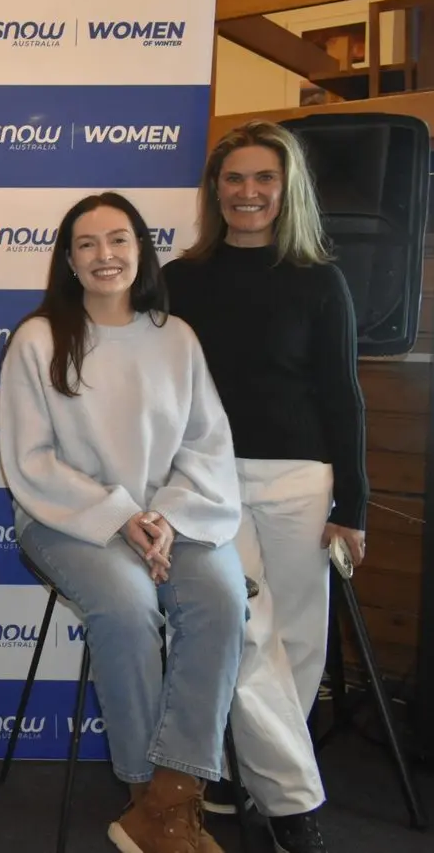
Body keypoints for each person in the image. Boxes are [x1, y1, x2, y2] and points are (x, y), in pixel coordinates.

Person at [0, 192, 248, 853]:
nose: (104, 255)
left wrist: (161, 515)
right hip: (67, 520)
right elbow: (31, 460)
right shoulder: (38, 338)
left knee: (222, 598)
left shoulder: (176, 337)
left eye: (118, 240)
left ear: (140, 249)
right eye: (86, 243)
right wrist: (120, 515)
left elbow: (205, 445)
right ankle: (144, 791)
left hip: (173, 516)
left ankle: (171, 797)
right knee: (128, 600)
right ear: (67, 259)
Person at [164, 120, 366, 853]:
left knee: (296, 641)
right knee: (244, 633)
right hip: (208, 483)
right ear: (214, 190)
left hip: (299, 481)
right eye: (233, 179)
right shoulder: (179, 279)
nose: (246, 193)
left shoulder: (320, 281)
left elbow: (343, 398)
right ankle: (293, 804)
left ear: (285, 191)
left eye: (262, 180)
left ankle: (237, 771)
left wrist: (353, 507)